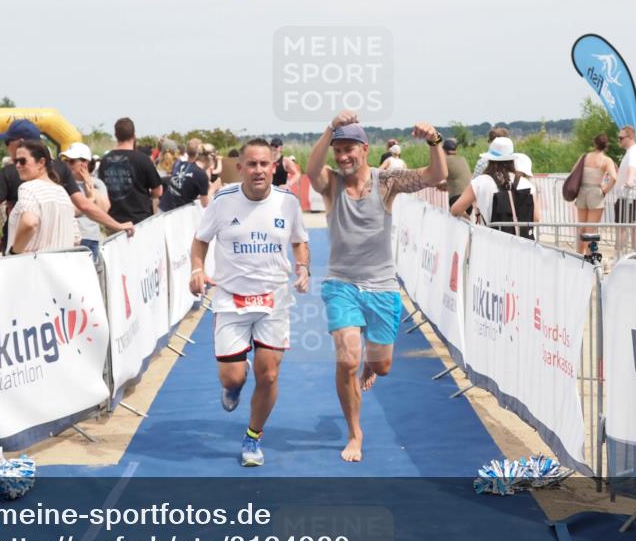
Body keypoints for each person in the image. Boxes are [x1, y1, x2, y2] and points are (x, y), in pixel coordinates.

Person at [307, 110, 447, 462]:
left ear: (365, 149)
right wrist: (330, 127)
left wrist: (434, 141)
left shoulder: (386, 182)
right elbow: (311, 170)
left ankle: (371, 363)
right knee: (347, 360)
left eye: (349, 149)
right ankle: (355, 432)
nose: (343, 156)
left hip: (382, 286)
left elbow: (437, 176)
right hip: (342, 284)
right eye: (338, 150)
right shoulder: (332, 183)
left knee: (381, 365)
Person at [189, 139, 310, 467]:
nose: (258, 170)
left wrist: (303, 267)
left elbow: (300, 242)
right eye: (252, 164)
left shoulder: (288, 202)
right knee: (233, 377)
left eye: (264, 164)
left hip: (274, 300)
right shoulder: (222, 201)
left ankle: (252, 437)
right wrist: (197, 269)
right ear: (240, 168)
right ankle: (233, 387)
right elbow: (200, 240)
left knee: (268, 375)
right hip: (231, 300)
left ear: (274, 167)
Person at [0, 119, 133, 254]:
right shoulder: (61, 172)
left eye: (7, 142)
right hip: (58, 253)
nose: (6, 147)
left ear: (20, 142)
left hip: (23, 250)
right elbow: (85, 206)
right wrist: (117, 225)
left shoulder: (13, 175)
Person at [450, 136, 535, 237]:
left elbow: (455, 210)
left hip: (489, 240)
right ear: (511, 159)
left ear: (490, 159)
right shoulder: (526, 183)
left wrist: (467, 218)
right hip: (521, 242)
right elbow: (536, 217)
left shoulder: (480, 182)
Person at [6, 140, 80, 254]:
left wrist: (14, 252)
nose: (17, 165)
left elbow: (29, 223)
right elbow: (76, 238)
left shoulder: (28, 188)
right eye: (16, 161)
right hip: (62, 262)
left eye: (22, 161)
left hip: (32, 263)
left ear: (41, 162)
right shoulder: (62, 193)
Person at [98, 117, 163, 224]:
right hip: (140, 222)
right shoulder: (143, 159)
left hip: (113, 222)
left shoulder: (105, 160)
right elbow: (158, 191)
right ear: (134, 135)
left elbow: (101, 190)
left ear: (116, 135)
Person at [61, 141, 110, 261]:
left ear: (85, 163)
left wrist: (91, 186)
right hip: (69, 239)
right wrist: (90, 200)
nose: (67, 164)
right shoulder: (61, 184)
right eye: (65, 161)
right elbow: (69, 212)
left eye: (71, 161)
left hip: (91, 238)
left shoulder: (98, 183)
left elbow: (105, 209)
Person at [571, 133, 617, 255]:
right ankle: (590, 257)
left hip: (582, 192)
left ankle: (578, 255)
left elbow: (573, 172)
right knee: (591, 229)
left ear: (595, 143)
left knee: (581, 227)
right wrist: (605, 190)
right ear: (606, 145)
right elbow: (614, 178)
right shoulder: (606, 160)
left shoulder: (584, 157)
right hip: (596, 192)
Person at [613, 126, 636, 255]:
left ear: (630, 137)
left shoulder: (634, 151)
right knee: (633, 225)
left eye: (621, 138)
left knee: (624, 226)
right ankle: (634, 254)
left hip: (631, 195)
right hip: (632, 194)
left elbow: (632, 167)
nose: (619, 140)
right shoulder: (633, 151)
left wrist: (629, 180)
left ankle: (621, 254)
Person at [160, 138, 212, 212]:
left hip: (164, 206)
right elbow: (205, 204)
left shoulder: (179, 163)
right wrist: (212, 188)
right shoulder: (199, 173)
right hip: (177, 212)